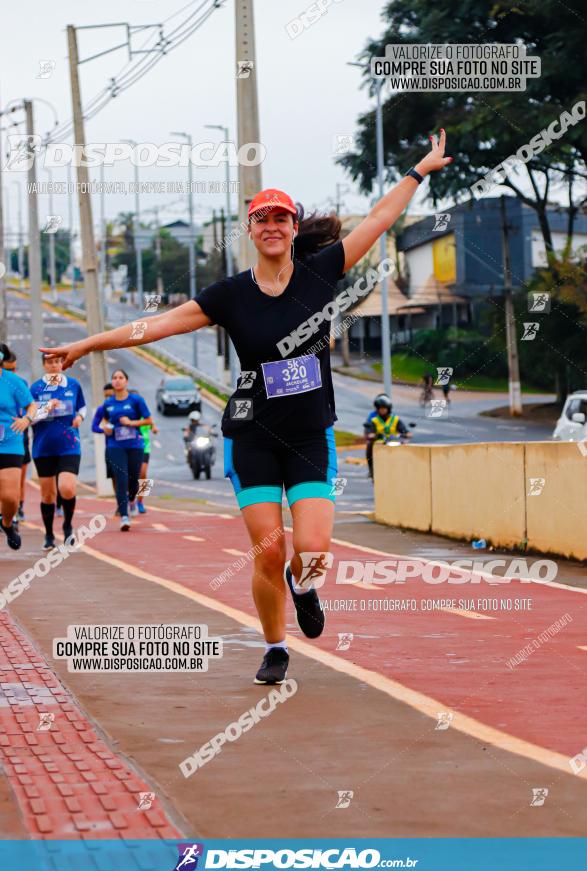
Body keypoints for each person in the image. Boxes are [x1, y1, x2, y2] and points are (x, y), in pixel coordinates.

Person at [39, 130, 452, 683]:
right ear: (251, 231)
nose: (273, 226)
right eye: (263, 219)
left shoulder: (320, 273)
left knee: (310, 549)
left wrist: (418, 171)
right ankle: (275, 646)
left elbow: (378, 220)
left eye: (282, 218)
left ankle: (302, 586)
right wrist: (88, 343)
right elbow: (152, 326)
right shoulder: (228, 295)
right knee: (266, 552)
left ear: (293, 229)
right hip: (252, 437)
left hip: (309, 436)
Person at [29, 353, 87, 549]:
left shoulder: (73, 384)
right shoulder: (36, 388)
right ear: (44, 365)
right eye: (50, 362)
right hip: (43, 447)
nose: (54, 365)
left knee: (68, 488)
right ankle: (48, 534)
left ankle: (68, 525)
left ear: (62, 364)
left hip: (69, 444)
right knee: (47, 495)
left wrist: (80, 417)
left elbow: (82, 407)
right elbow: (29, 417)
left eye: (57, 361)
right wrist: (46, 407)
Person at [99, 369, 152, 531]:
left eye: (121, 377)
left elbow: (149, 420)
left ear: (126, 381)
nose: (117, 380)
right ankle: (124, 515)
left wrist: (131, 423)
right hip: (116, 445)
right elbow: (103, 422)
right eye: (114, 378)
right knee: (120, 479)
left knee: (137, 478)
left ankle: (135, 500)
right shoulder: (108, 404)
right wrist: (106, 428)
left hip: (137, 445)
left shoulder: (136, 400)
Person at [0, 343, 36, 550]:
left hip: (10, 443)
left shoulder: (13, 381)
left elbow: (31, 405)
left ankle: (6, 523)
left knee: (10, 498)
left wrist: (27, 419)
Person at [2, 350, 31, 522]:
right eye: (9, 369)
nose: (13, 373)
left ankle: (18, 507)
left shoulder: (19, 383)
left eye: (15, 369)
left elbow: (31, 407)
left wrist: (26, 420)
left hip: (16, 434)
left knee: (18, 477)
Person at [363, 394, 412, 480]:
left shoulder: (395, 419)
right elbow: (369, 431)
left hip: (394, 442)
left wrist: (406, 434)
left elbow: (405, 431)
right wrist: (372, 435)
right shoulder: (374, 420)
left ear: (388, 408)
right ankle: (372, 469)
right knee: (369, 445)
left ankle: (407, 467)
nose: (382, 410)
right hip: (379, 444)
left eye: (384, 408)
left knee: (406, 446)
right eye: (380, 408)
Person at [129, 388, 158, 514]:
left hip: (144, 446)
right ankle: (130, 500)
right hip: (129, 447)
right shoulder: (126, 414)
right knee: (130, 476)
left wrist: (154, 428)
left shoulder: (143, 413)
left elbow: (152, 423)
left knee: (143, 473)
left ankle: (140, 501)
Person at [91, 382, 118, 507]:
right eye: (105, 396)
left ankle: (140, 500)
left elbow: (149, 420)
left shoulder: (131, 407)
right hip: (112, 447)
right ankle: (122, 503)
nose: (108, 399)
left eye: (110, 396)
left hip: (140, 446)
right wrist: (104, 430)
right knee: (115, 477)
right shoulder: (103, 409)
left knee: (142, 475)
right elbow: (94, 427)